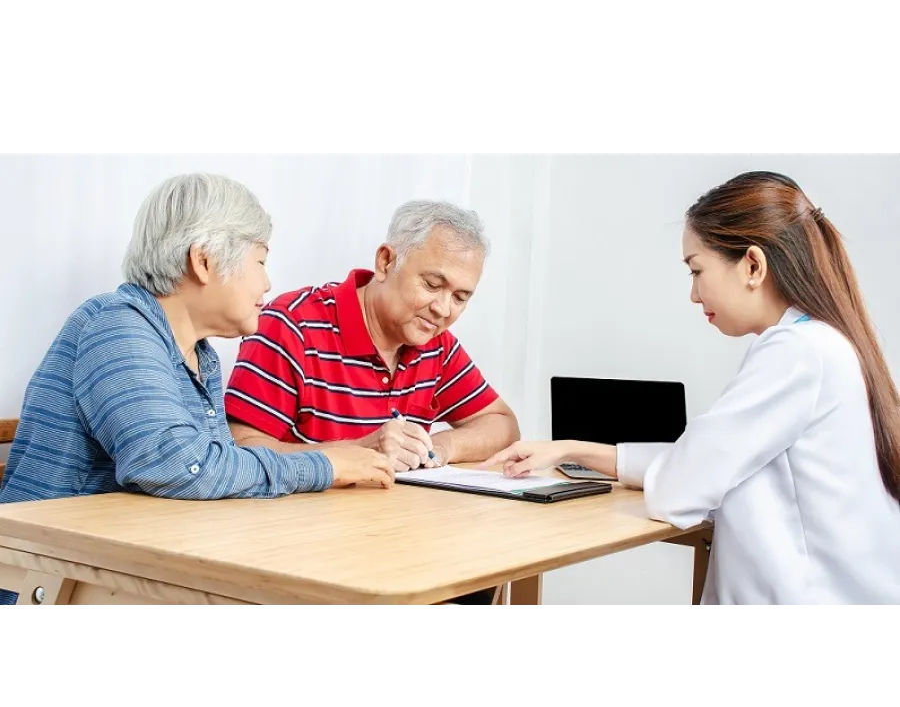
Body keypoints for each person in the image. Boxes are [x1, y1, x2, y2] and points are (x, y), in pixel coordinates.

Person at [483, 171, 900, 607]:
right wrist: (570, 449)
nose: (694, 295)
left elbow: (680, 487)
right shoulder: (819, 343)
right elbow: (702, 465)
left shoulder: (796, 352)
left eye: (697, 270)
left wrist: (583, 451)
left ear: (753, 266)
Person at [0, 173, 392, 508]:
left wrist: (333, 457)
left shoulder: (199, 355)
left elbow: (220, 467)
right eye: (260, 261)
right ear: (203, 261)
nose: (268, 283)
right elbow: (180, 468)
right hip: (51, 575)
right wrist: (326, 467)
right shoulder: (116, 328)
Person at [224, 199, 520, 608]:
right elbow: (240, 448)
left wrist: (440, 447)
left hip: (400, 558)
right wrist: (358, 452)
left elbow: (502, 423)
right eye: (432, 285)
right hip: (300, 567)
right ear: (386, 262)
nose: (443, 309)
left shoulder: (434, 342)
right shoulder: (290, 325)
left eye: (461, 297)